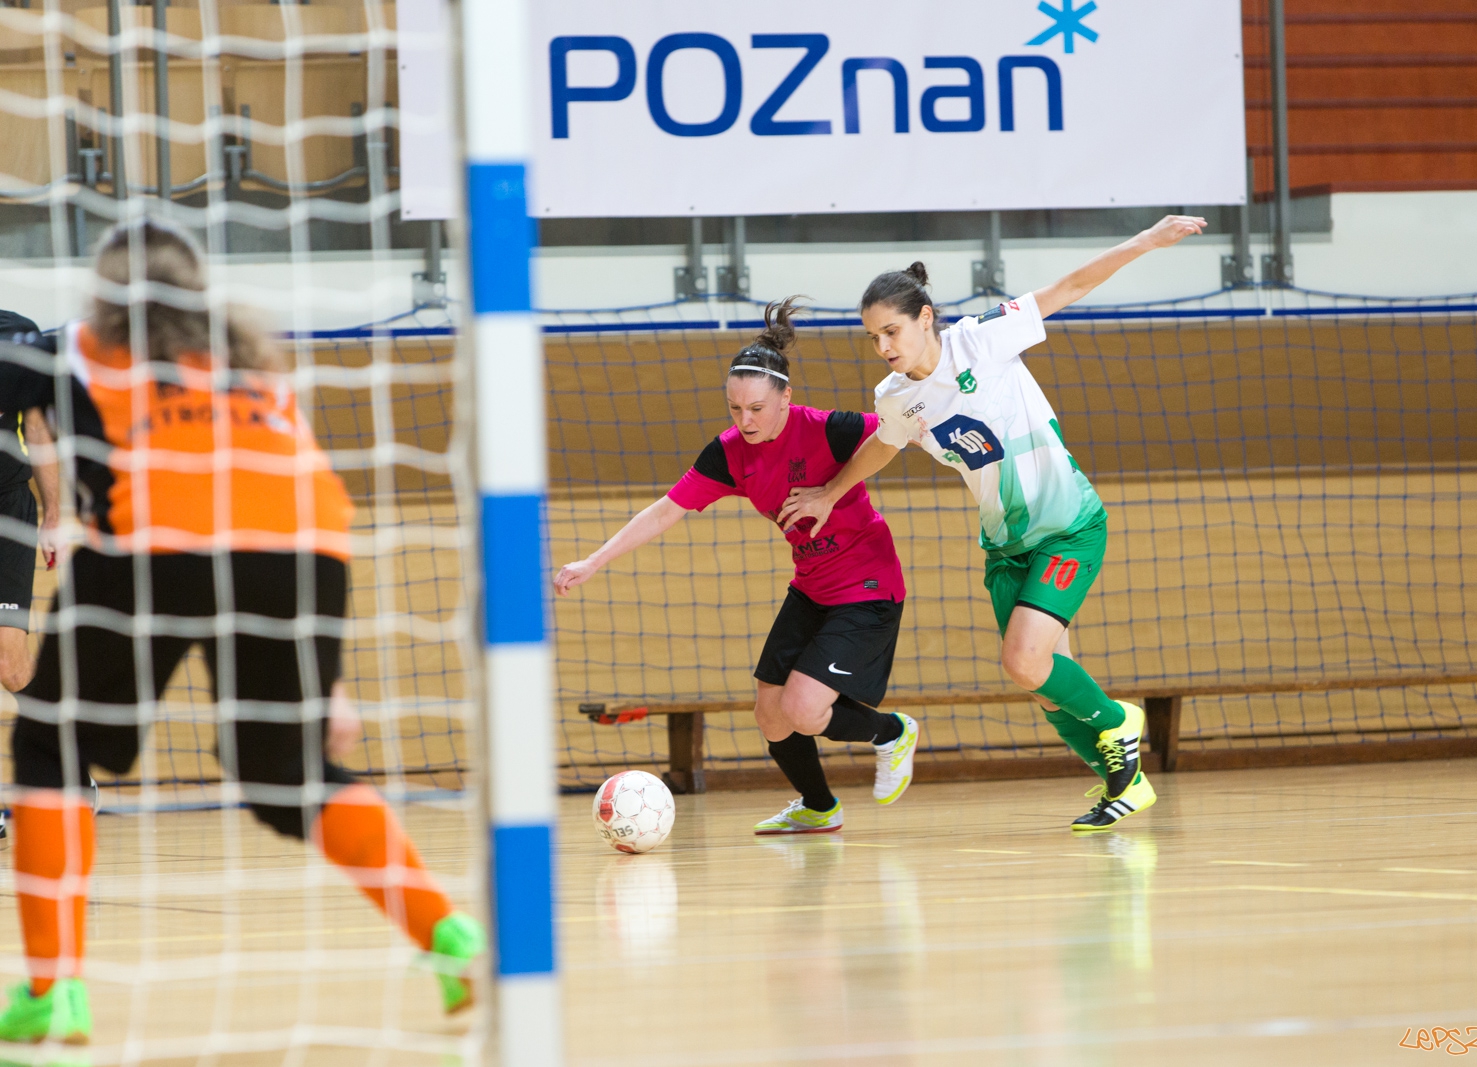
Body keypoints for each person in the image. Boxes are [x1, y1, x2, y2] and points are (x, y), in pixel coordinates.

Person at [0, 220, 484, 1045]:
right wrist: (325, 680)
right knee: (287, 770)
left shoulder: (79, 349)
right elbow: (295, 494)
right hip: (303, 552)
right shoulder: (250, 368)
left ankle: (55, 990)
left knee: (50, 745)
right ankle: (448, 934)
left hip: (164, 538)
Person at [778, 216, 1208, 833]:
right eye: (873, 337)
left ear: (926, 318)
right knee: (1041, 681)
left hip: (1067, 524)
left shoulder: (981, 339)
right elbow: (883, 445)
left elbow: (1068, 287)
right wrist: (829, 492)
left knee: (1024, 661)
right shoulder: (896, 397)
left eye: (892, 330)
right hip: (1006, 545)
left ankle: (1120, 723)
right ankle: (1125, 780)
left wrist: (1146, 241)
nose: (884, 346)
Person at [555, 298, 919, 835]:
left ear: (786, 398)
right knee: (770, 714)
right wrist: (594, 560)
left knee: (802, 709)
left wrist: (832, 490)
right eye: (735, 408)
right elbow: (665, 511)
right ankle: (818, 807)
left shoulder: (830, 430)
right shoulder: (729, 453)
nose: (745, 420)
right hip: (812, 587)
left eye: (756, 408)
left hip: (868, 586)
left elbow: (901, 429)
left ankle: (891, 732)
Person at [0, 311, 60, 694]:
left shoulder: (18, 336)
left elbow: (37, 427)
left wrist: (53, 514)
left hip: (7, 509)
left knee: (10, 668)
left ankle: (51, 728)